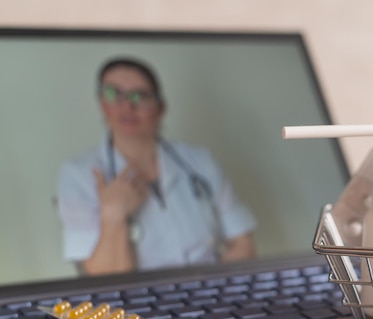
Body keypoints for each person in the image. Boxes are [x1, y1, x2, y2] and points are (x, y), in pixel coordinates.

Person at [57, 57, 256, 276]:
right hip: (139, 301)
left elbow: (243, 244)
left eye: (140, 96)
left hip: (210, 288)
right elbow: (104, 281)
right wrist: (113, 214)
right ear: (102, 103)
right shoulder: (78, 175)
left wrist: (214, 290)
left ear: (161, 107)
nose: (127, 106)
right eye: (114, 94)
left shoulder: (199, 161)